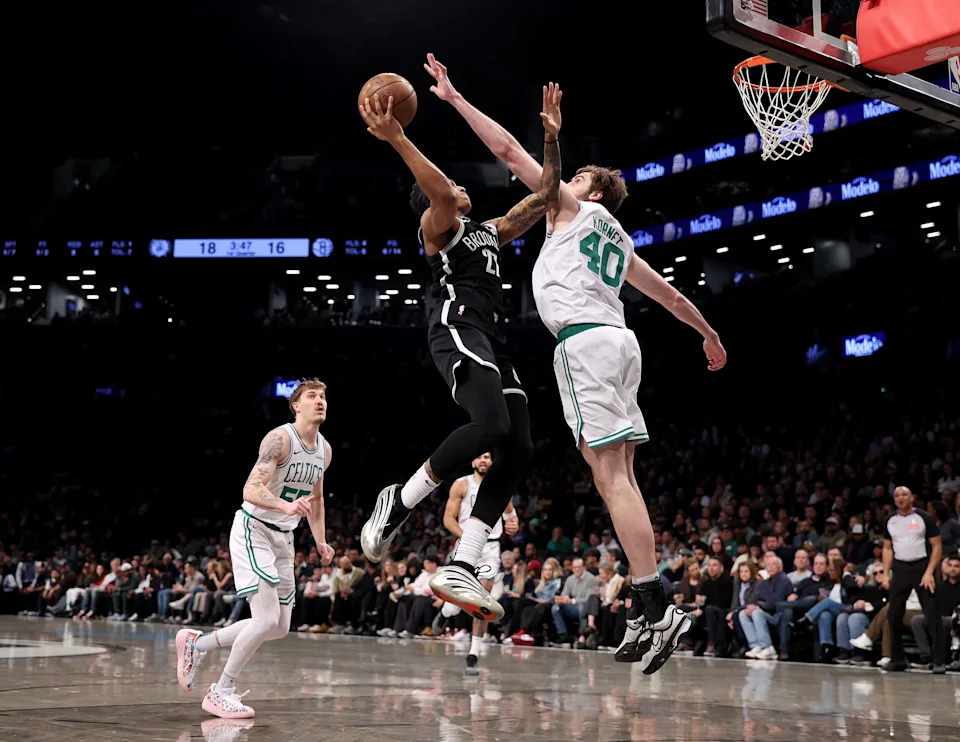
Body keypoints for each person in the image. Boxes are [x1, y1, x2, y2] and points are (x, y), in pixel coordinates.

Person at [421, 53, 727, 675]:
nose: (562, 181)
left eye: (574, 176)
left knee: (611, 477)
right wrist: (709, 334)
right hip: (621, 343)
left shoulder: (569, 207)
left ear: (584, 189)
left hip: (586, 346)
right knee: (618, 477)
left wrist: (454, 100)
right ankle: (647, 608)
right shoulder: (619, 236)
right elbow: (667, 296)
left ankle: (658, 605)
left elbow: (510, 150)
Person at [357, 82, 562, 622]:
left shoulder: (489, 231)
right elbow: (441, 196)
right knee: (491, 422)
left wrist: (550, 139)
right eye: (446, 182)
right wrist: (399, 138)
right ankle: (399, 502)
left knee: (520, 446)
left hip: (493, 338)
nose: (456, 185)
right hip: (456, 329)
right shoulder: (437, 225)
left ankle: (465, 562)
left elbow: (545, 197)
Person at [174, 379, 335, 718]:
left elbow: (317, 499)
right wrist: (284, 506)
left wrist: (320, 540)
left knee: (278, 626)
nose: (320, 401)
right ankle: (221, 690)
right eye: (312, 396)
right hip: (255, 529)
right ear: (296, 406)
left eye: (323, 396)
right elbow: (250, 489)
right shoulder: (280, 439)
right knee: (264, 619)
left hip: (284, 538)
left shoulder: (325, 449)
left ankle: (196, 644)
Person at [440, 452, 519, 675]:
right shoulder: (461, 484)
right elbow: (448, 519)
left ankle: (473, 653)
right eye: (479, 457)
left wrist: (513, 524)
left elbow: (511, 517)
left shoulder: (500, 484)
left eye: (487, 457)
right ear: (473, 461)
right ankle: (447, 611)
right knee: (456, 597)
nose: (483, 461)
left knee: (482, 599)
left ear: (492, 461)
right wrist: (467, 538)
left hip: (491, 547)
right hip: (466, 544)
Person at [881, 486, 944, 672]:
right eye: (897, 495)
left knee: (932, 613)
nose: (901, 498)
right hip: (900, 567)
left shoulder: (925, 518)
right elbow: (887, 548)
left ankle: (939, 660)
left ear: (912, 498)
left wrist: (929, 571)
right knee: (893, 614)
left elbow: (937, 547)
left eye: (904, 495)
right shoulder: (890, 520)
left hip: (922, 566)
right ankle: (897, 658)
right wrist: (885, 573)